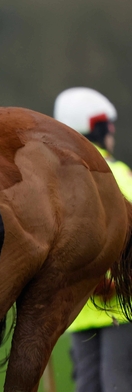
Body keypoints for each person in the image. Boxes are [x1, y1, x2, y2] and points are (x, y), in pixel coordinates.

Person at [55, 86, 132, 392]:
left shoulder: (57, 181)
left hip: (79, 308)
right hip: (121, 303)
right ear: (101, 128)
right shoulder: (118, 174)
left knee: (88, 387)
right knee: (119, 384)